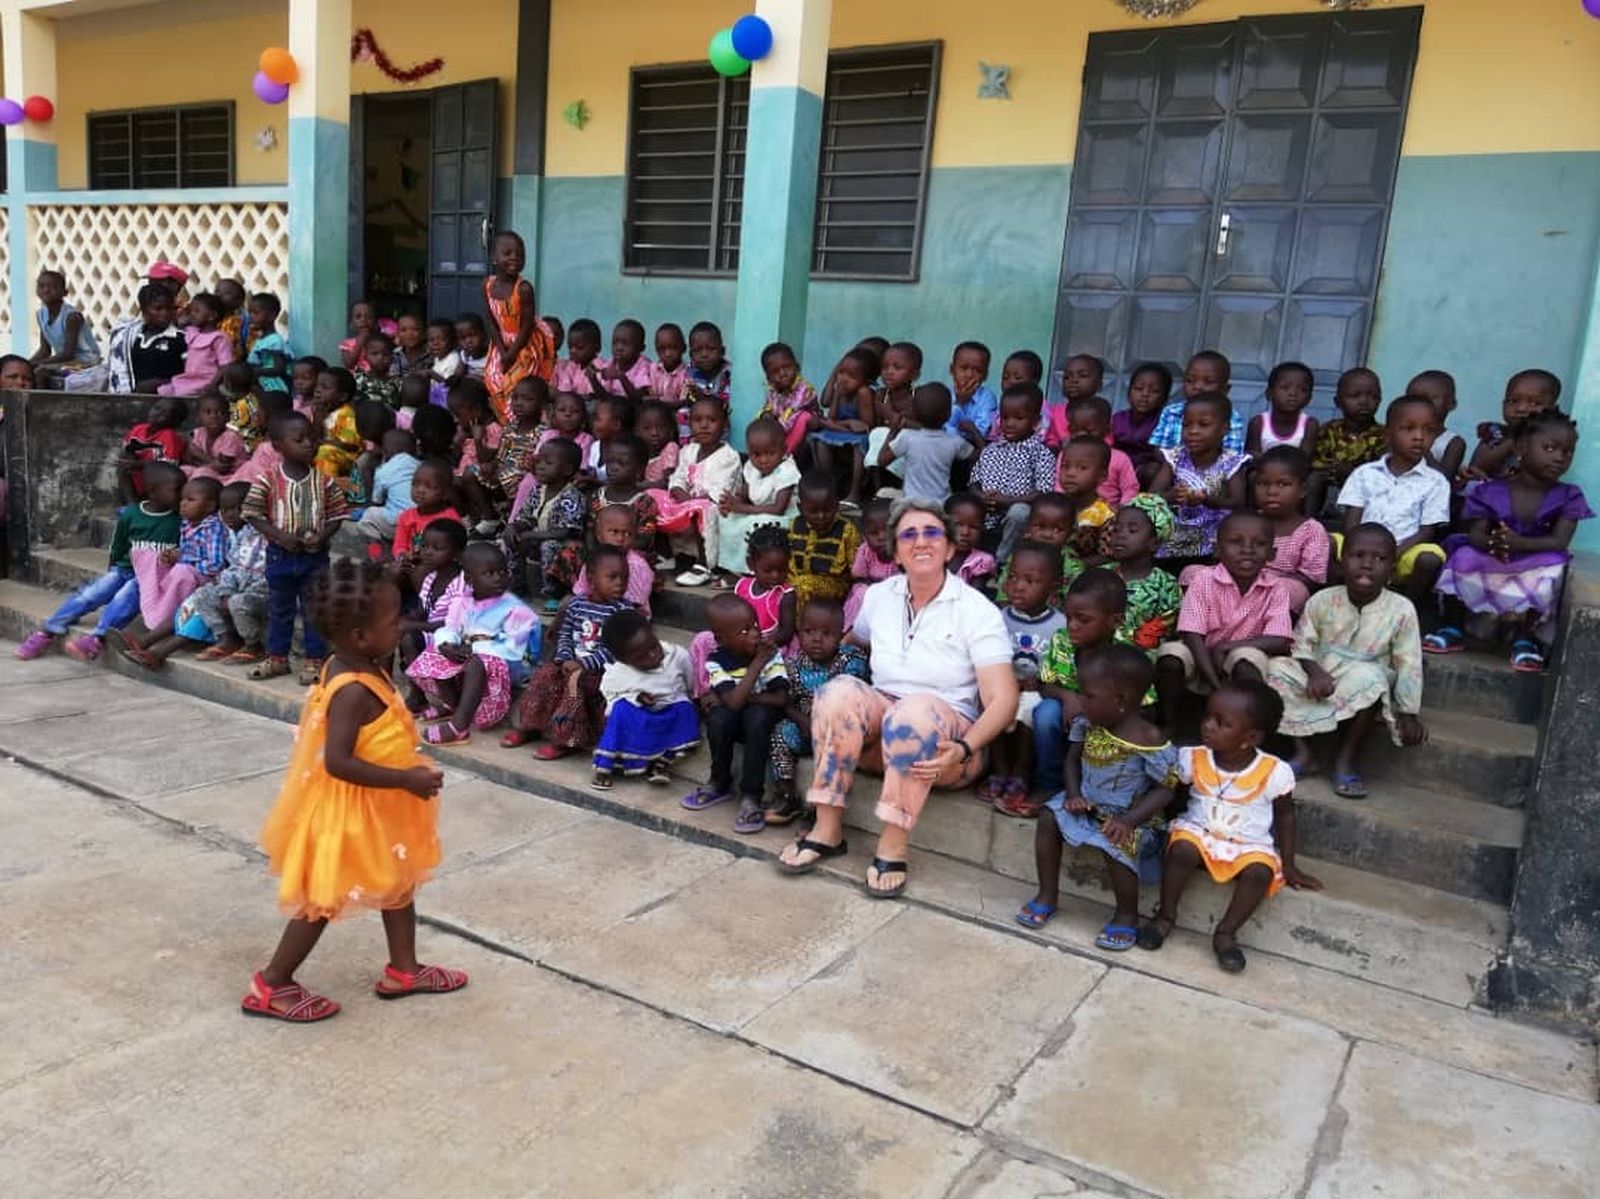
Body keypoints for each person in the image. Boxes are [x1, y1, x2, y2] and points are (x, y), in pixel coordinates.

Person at [242, 560, 466, 1023]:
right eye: (393, 621)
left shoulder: (359, 662)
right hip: (348, 814)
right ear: (361, 636)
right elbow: (338, 762)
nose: (401, 626)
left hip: (378, 809)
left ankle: (404, 970)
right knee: (321, 899)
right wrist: (406, 779)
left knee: (399, 880)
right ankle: (272, 983)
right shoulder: (353, 690)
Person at [776, 498, 1019, 897]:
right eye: (909, 534)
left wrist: (963, 747)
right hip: (881, 740)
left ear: (950, 548)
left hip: (947, 753)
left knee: (913, 712)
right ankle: (827, 828)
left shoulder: (977, 611)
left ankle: (892, 843)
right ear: (895, 550)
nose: (920, 542)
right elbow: (851, 643)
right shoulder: (879, 597)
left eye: (932, 533)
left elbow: (1004, 700)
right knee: (837, 692)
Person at [1137, 680, 1323, 973]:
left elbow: (1286, 816)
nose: (1207, 725)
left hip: (1247, 845)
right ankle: (1165, 916)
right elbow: (1170, 794)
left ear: (1250, 737)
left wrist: (1289, 864)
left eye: (1221, 723)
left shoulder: (1274, 772)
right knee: (1182, 847)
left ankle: (1226, 933)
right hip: (1199, 833)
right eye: (1207, 716)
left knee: (1260, 871)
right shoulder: (1193, 758)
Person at [1018, 645, 1178, 949]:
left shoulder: (1149, 739)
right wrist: (1073, 793)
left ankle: (1127, 914)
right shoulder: (1087, 722)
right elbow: (1071, 760)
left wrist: (1129, 820)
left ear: (1121, 701)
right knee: (1049, 815)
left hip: (1133, 817)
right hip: (1087, 805)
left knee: (1116, 841)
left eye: (1088, 695)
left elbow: (1166, 789)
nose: (1080, 701)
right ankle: (1047, 894)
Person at [1268, 523, 1428, 798]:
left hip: (1363, 677)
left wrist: (1409, 712)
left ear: (1392, 568)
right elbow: (1301, 642)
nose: (1367, 564)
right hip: (1319, 675)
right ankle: (1304, 752)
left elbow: (1409, 662)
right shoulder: (1323, 599)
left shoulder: (1402, 609)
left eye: (1379, 558)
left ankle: (1346, 761)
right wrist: (1314, 671)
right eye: (1357, 556)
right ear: (1342, 563)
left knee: (1371, 677)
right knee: (1275, 668)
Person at [1433, 408, 1591, 670]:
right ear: (1521, 448)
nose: (1560, 457)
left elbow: (1558, 542)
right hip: (1494, 554)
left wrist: (1519, 544)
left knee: (1554, 568)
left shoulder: (1569, 495)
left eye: (1568, 452)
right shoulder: (1489, 490)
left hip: (1534, 557)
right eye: (1550, 448)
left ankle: (1526, 639)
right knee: (1462, 556)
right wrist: (1494, 543)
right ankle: (1452, 626)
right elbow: (1476, 534)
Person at [15, 461, 181, 663]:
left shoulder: (179, 520)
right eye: (176, 489)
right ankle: (48, 630)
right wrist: (113, 568)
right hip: (124, 569)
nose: (182, 494)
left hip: (148, 579)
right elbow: (118, 545)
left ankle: (97, 638)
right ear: (153, 491)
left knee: (124, 599)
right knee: (90, 594)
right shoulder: (132, 515)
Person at [242, 410, 350, 684]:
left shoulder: (324, 481)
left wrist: (323, 535)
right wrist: (279, 536)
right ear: (279, 446)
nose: (308, 444)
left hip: (315, 557)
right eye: (299, 439)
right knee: (279, 609)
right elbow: (252, 513)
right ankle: (278, 658)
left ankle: (315, 660)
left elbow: (338, 515)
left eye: (311, 438)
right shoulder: (268, 479)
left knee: (314, 609)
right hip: (280, 556)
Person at [1156, 511, 1292, 727]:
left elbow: (1280, 639)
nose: (1247, 550)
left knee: (1247, 660)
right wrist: (1214, 682)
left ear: (1272, 553)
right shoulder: (1203, 579)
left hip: (1237, 656)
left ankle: (1246, 726)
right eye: (1236, 542)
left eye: (1259, 544)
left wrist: (1227, 647)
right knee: (1170, 656)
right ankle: (1167, 722)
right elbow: (1191, 634)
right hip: (1199, 653)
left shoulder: (1276, 588)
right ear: (1217, 549)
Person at [405, 542, 538, 745]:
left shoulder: (516, 609)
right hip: (472, 657)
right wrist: (446, 644)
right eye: (489, 573)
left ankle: (459, 727)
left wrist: (474, 648)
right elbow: (450, 628)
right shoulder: (462, 602)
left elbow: (514, 648)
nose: (498, 578)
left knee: (477, 662)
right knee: (436, 652)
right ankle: (454, 706)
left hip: (511, 667)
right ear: (469, 579)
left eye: (503, 572)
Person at [506, 544, 633, 757]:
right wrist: (564, 659)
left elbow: (615, 649)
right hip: (570, 663)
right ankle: (529, 726)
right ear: (591, 579)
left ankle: (564, 739)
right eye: (612, 577)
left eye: (624, 577)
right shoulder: (576, 605)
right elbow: (564, 636)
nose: (620, 583)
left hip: (599, 671)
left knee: (576, 684)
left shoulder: (624, 612)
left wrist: (582, 664)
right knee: (545, 676)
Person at [683, 593, 790, 834]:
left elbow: (781, 699)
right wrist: (753, 670)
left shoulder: (770, 654)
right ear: (721, 639)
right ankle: (719, 781)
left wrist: (748, 688)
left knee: (757, 717)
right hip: (734, 718)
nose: (754, 634)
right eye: (744, 631)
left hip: (760, 722)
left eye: (755, 625)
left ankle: (752, 796)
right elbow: (732, 703)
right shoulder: (716, 660)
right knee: (718, 717)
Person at [1030, 568, 1133, 810]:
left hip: (1105, 726)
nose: (1073, 626)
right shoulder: (1062, 639)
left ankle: (1095, 791)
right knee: (1045, 714)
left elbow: (1143, 705)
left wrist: (1095, 708)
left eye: (1084, 620)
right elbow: (1044, 684)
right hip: (1067, 718)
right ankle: (1049, 783)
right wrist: (1067, 697)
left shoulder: (1126, 654)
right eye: (1069, 617)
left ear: (1115, 621)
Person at [1336, 395, 1449, 611]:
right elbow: (1352, 522)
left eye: (1428, 430)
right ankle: (1338, 604)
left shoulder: (1436, 481)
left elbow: (1427, 531)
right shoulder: (1364, 473)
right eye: (1409, 429)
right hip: (1359, 549)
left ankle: (1407, 611)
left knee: (1429, 558)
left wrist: (1392, 553)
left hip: (1403, 553)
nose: (1419, 437)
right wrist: (1363, 550)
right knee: (1329, 542)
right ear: (1387, 434)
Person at [768, 597, 871, 827]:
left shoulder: (851, 660)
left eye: (827, 633)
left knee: (834, 742)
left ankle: (820, 806)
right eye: (809, 632)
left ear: (841, 634)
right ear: (798, 633)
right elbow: (785, 702)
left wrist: (821, 725)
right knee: (781, 732)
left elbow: (853, 699)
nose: (817, 639)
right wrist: (802, 721)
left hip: (839, 731)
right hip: (805, 728)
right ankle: (787, 793)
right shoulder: (794, 666)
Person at [984, 541, 1066, 813]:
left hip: (1037, 692)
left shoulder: (1060, 625)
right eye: (1013, 577)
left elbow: (1061, 669)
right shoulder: (998, 618)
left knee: (1030, 707)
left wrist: (1039, 682)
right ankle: (998, 769)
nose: (1018, 586)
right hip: (1002, 687)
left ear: (1054, 587)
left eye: (1030, 581)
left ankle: (1020, 773)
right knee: (994, 704)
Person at [591, 610, 700, 789]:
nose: (652, 656)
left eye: (654, 647)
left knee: (686, 709)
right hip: (639, 716)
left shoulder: (677, 656)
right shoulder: (618, 672)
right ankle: (604, 767)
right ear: (623, 659)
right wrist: (637, 698)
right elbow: (609, 693)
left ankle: (661, 763)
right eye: (641, 657)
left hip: (669, 709)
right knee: (620, 710)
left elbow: (690, 683)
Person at [166, 481, 270, 665]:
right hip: (238, 586)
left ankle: (253, 645)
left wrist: (235, 593)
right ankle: (226, 638)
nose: (229, 515)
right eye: (224, 510)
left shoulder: (268, 536)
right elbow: (234, 567)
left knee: (237, 602)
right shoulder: (243, 534)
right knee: (202, 595)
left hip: (260, 591)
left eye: (237, 509)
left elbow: (266, 574)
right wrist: (226, 591)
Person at [122, 475, 227, 641]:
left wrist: (182, 558)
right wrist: (173, 554)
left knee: (182, 571)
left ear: (210, 506)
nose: (183, 504)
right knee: (148, 555)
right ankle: (155, 609)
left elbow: (215, 565)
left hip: (206, 579)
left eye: (190, 500)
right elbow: (188, 551)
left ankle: (160, 619)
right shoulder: (187, 524)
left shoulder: (214, 528)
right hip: (184, 570)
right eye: (182, 499)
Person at [1151, 392, 1249, 561]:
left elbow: (1238, 503)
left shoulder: (1231, 461)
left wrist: (1207, 500)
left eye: (1204, 425)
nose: (1193, 431)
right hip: (1173, 537)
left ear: (1224, 428)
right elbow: (1152, 496)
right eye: (1186, 425)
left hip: (1212, 540)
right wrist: (1172, 495)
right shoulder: (1175, 456)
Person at [654, 398, 740, 587]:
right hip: (686, 503)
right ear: (689, 424)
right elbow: (678, 477)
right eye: (697, 420)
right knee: (651, 497)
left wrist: (691, 502)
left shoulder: (729, 456)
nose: (704, 425)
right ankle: (666, 554)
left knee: (703, 508)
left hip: (716, 509)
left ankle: (704, 565)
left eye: (712, 420)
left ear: (725, 425)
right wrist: (679, 492)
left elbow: (719, 492)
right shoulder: (688, 451)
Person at [972, 384, 1059, 564]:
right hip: (986, 510)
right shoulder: (990, 450)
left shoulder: (1041, 453)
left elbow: (1044, 492)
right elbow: (974, 481)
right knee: (961, 505)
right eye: (1005, 417)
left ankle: (1001, 562)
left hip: (1016, 514)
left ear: (1035, 421)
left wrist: (1008, 501)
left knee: (1019, 512)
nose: (1010, 423)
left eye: (1019, 418)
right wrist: (981, 496)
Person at [481, 231, 554, 421]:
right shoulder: (487, 285)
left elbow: (527, 326)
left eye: (520, 254)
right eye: (507, 253)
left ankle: (522, 424)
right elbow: (490, 319)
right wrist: (501, 350)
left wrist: (511, 354)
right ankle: (507, 424)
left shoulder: (523, 288)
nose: (515, 257)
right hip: (500, 343)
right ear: (493, 257)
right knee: (492, 379)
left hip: (523, 345)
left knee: (519, 385)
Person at [506, 438, 587, 607]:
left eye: (548, 463)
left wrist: (532, 535)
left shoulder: (572, 496)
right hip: (538, 539)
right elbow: (526, 517)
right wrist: (514, 527)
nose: (540, 466)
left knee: (549, 546)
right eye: (539, 461)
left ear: (567, 470)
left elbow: (565, 531)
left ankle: (554, 594)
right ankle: (517, 587)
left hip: (565, 547)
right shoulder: (537, 490)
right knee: (510, 538)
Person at [1254, 445, 1330, 615]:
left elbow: (1311, 579)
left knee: (1291, 590)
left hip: (1281, 592)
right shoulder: (1247, 522)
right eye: (1263, 484)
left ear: (1302, 490)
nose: (1271, 491)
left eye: (1283, 484)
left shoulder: (1312, 530)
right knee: (1196, 573)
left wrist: (1265, 582)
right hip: (1242, 583)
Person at [1102, 494, 1181, 650]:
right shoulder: (1101, 575)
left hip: (1142, 656)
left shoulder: (1166, 585)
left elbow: (1161, 632)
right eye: (1117, 529)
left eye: (1132, 530)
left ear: (1154, 542)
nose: (1120, 535)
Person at [882, 382, 974, 505]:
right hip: (940, 504)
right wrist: (974, 431)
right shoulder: (954, 441)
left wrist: (893, 431)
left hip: (911, 503)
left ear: (914, 413)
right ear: (949, 415)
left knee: (883, 494)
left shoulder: (907, 437)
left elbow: (882, 460)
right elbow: (979, 456)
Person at [1310, 367, 1385, 513]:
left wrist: (1352, 472)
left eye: (1373, 396)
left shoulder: (1384, 436)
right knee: (1314, 479)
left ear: (1380, 400)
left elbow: (1382, 473)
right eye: (1355, 396)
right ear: (1338, 402)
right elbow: (1317, 462)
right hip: (1329, 486)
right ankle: (1309, 522)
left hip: (1364, 492)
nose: (1364, 401)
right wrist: (1334, 469)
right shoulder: (1328, 430)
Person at [1467, 368, 1561, 483]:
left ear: (1552, 409)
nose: (1521, 408)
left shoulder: (1551, 441)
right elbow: (1476, 466)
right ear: (1503, 403)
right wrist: (1513, 440)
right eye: (1513, 401)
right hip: (1486, 491)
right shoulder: (1495, 433)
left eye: (1534, 403)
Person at [810, 347, 877, 505]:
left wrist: (834, 424)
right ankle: (828, 488)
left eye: (851, 376)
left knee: (860, 445)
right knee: (820, 440)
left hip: (860, 436)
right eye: (841, 372)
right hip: (841, 431)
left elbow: (866, 426)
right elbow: (832, 418)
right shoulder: (840, 388)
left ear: (866, 380)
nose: (843, 379)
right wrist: (846, 422)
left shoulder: (863, 392)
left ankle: (854, 492)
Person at [787, 469, 861, 615]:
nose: (821, 516)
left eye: (827, 510)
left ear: (837, 505)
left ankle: (803, 625)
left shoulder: (846, 530)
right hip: (797, 581)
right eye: (813, 511)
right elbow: (789, 561)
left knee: (804, 585)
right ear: (800, 508)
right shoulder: (795, 525)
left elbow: (855, 568)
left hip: (834, 585)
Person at [338, 428, 420, 557]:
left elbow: (377, 501)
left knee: (367, 520)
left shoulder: (384, 470)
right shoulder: (421, 466)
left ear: (385, 452)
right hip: (421, 522)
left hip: (398, 521)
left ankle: (377, 554)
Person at [1148, 350, 1245, 454]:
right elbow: (1160, 449)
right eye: (1190, 380)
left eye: (1208, 382)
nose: (1197, 387)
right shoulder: (1172, 412)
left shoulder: (1231, 418)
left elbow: (1232, 454)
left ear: (1225, 389)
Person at [572, 504, 654, 616]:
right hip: (593, 611)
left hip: (629, 615)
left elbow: (634, 605)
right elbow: (581, 592)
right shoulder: (594, 560)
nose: (620, 538)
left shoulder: (637, 566)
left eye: (628, 534)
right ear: (599, 535)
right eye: (614, 532)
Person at [106, 283, 186, 394]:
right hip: (130, 399)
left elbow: (190, 377)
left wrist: (159, 383)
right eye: (158, 309)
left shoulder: (181, 339)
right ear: (143, 310)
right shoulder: (128, 337)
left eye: (169, 309)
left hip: (167, 399)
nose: (165, 313)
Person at [447, 377, 503, 530]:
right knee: (444, 480)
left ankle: (490, 517)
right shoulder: (468, 429)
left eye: (458, 415)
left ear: (476, 410)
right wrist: (457, 443)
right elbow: (457, 458)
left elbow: (485, 459)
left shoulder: (493, 429)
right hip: (465, 472)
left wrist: (478, 440)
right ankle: (465, 519)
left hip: (484, 476)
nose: (456, 420)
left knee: (467, 476)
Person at [29, 269, 101, 389]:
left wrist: (37, 363)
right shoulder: (41, 315)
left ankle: (41, 400)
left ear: (65, 292)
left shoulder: (72, 317)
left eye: (53, 287)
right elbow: (44, 350)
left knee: (40, 372)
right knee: (26, 370)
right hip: (66, 360)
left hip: (86, 360)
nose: (46, 290)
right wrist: (26, 363)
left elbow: (68, 354)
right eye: (41, 286)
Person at [866, 340, 920, 492]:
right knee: (877, 434)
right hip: (885, 443)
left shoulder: (918, 397)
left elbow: (924, 427)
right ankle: (877, 489)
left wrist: (899, 421)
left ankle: (901, 486)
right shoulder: (881, 395)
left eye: (897, 367)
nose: (889, 372)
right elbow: (876, 424)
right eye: (884, 367)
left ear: (915, 374)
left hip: (908, 443)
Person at [1066, 396, 1140, 506]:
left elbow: (1130, 488)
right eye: (1075, 430)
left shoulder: (1119, 458)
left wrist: (1121, 508)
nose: (1081, 435)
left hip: (1108, 512)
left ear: (1107, 429)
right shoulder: (1065, 455)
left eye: (1089, 431)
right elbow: (1059, 486)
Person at [158, 293, 232, 397]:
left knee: (177, 396)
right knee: (163, 391)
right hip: (188, 379)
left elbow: (225, 366)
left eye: (196, 311)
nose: (192, 314)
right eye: (191, 311)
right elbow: (178, 325)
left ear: (212, 316)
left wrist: (212, 385)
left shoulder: (219, 338)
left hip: (206, 381)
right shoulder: (193, 333)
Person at [118, 395, 189, 503]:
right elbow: (127, 449)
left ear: (175, 422)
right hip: (136, 475)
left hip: (156, 478)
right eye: (156, 408)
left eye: (164, 414)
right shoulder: (139, 429)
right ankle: (131, 503)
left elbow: (169, 465)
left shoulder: (170, 436)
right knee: (122, 467)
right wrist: (129, 460)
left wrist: (139, 464)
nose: (157, 414)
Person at [1112, 361, 1172, 487]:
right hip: (1117, 467)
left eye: (1154, 391)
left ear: (1165, 398)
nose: (1145, 395)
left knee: (1154, 470)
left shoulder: (1164, 422)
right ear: (1129, 393)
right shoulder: (1118, 419)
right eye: (1139, 389)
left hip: (1143, 472)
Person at [758, 341, 820, 458]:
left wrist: (773, 431)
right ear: (768, 377)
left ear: (796, 367)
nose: (782, 374)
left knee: (804, 417)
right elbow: (770, 406)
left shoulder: (804, 389)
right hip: (783, 425)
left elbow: (792, 413)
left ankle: (784, 454)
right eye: (775, 371)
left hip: (806, 426)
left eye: (787, 367)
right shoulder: (773, 388)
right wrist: (766, 415)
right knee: (764, 419)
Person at [1246, 361, 1319, 456]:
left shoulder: (1310, 425)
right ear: (1269, 394)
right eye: (1285, 387)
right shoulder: (1258, 423)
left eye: (1302, 389)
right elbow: (1252, 458)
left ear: (1309, 399)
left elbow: (1304, 459)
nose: (1293, 394)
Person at [1405, 369, 1466, 484]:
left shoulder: (1453, 442)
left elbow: (1444, 480)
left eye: (1429, 399)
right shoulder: (1400, 434)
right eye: (1413, 399)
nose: (1420, 405)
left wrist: (1423, 451)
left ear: (1451, 404)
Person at [312, 365, 363, 498]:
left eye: (325, 387)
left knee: (326, 451)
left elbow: (350, 445)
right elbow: (315, 436)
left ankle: (326, 491)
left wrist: (323, 443)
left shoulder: (346, 414)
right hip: (326, 452)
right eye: (317, 386)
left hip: (348, 456)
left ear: (342, 397)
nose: (318, 390)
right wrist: (318, 418)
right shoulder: (319, 410)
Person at [680, 321, 732, 438]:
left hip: (719, 426)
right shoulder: (689, 372)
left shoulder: (728, 374)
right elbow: (685, 399)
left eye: (711, 349)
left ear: (722, 351)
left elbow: (725, 406)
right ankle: (687, 445)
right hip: (697, 422)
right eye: (698, 350)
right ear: (691, 354)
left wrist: (703, 397)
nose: (704, 354)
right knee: (683, 412)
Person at [943, 340, 997, 453]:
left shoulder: (988, 398)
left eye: (978, 370)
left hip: (972, 449)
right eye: (964, 368)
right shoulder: (944, 393)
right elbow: (942, 428)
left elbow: (982, 432)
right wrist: (960, 402)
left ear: (985, 375)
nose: (969, 375)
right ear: (952, 369)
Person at [184, 393, 247, 483]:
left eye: (221, 413)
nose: (214, 417)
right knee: (184, 470)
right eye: (208, 412)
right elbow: (189, 460)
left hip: (232, 476)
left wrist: (198, 454)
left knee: (201, 473)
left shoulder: (230, 437)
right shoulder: (199, 433)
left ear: (228, 417)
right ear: (198, 417)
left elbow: (222, 468)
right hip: (208, 470)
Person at [945, 493, 997, 590]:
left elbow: (975, 593)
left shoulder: (980, 561)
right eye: (958, 524)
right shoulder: (933, 554)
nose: (965, 532)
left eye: (974, 527)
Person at [594, 318, 655, 401]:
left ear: (641, 348)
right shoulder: (611, 363)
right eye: (615, 343)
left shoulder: (644, 366)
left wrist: (622, 378)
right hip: (614, 405)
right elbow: (603, 396)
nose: (619, 348)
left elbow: (638, 399)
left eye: (625, 344)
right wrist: (593, 379)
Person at [244, 293, 292, 394]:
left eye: (256, 313)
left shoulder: (274, 341)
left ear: (271, 316)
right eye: (250, 313)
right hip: (261, 382)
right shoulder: (260, 339)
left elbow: (279, 368)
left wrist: (256, 371)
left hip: (272, 386)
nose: (251, 317)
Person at [638, 400, 681, 490]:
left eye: (661, 427)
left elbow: (668, 481)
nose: (654, 433)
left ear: (671, 431)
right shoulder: (640, 451)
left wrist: (639, 486)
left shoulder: (670, 448)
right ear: (637, 431)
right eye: (647, 428)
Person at [354, 332, 401, 411]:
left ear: (392, 357)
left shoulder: (397, 383)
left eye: (385, 354)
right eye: (375, 353)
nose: (380, 358)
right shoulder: (359, 380)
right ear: (365, 356)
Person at [425, 318, 463, 404]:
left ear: (453, 341)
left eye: (441, 339)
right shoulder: (437, 357)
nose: (435, 343)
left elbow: (449, 384)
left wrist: (431, 373)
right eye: (431, 340)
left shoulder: (453, 359)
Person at [651, 322, 687, 403]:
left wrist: (658, 399)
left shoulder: (687, 373)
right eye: (662, 349)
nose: (668, 354)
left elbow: (682, 402)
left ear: (683, 348)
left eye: (673, 348)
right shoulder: (652, 369)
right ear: (656, 350)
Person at [455, 313, 489, 381]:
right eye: (463, 338)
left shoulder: (490, 355)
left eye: (473, 335)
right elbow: (457, 376)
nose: (468, 341)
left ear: (483, 335)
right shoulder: (464, 355)